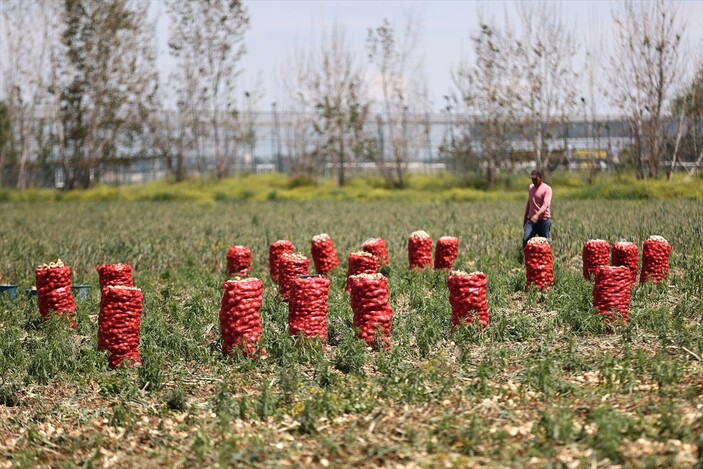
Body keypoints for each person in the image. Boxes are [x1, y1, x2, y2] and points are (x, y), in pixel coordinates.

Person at [523, 169, 552, 247]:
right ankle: (527, 258)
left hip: (544, 221)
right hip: (531, 220)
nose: (534, 181)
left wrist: (537, 215)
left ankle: (547, 258)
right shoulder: (530, 188)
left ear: (541, 178)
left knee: (546, 243)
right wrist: (525, 218)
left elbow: (546, 204)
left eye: (536, 179)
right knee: (526, 240)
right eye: (532, 180)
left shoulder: (547, 189)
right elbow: (529, 203)